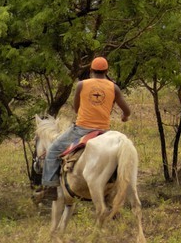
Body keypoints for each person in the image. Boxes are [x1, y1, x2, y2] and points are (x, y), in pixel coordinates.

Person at [38, 55, 132, 201]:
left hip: (81, 130)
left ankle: (50, 187)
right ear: (106, 71)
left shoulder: (82, 85)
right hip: (103, 132)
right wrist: (124, 117)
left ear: (91, 70)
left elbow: (76, 108)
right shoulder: (114, 88)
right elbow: (127, 111)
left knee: (52, 151)